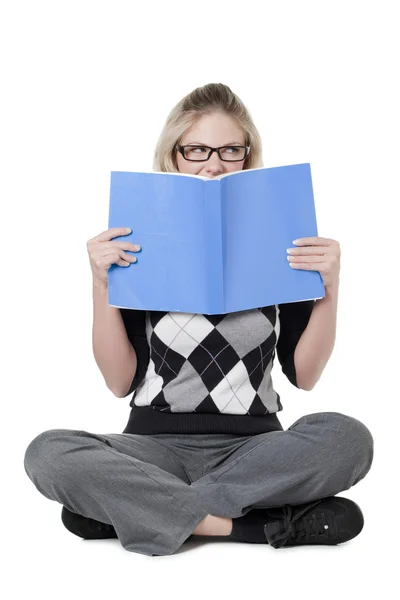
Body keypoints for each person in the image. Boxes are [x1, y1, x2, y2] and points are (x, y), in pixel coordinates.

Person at [23, 83, 374, 557]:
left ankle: (136, 512)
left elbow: (305, 377)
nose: (213, 163)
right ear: (173, 157)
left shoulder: (280, 245)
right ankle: (254, 526)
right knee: (48, 452)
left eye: (231, 149)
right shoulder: (137, 244)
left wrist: (330, 289)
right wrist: (101, 284)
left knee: (348, 438)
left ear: (248, 158)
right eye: (197, 150)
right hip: (153, 450)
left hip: (254, 451)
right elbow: (118, 380)